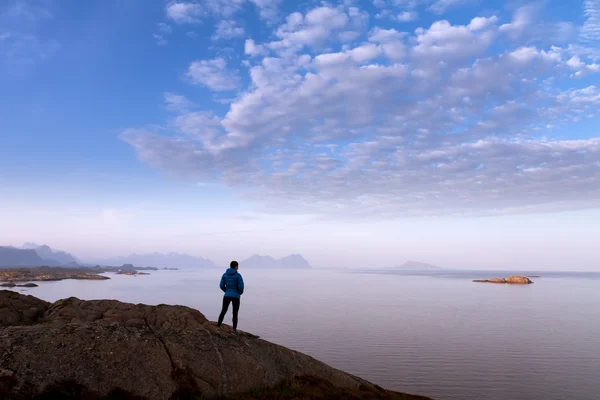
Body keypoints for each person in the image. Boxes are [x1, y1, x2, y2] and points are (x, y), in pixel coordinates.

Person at [217, 260, 244, 334]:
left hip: (227, 295)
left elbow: (221, 285)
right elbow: (241, 287)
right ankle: (234, 330)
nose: (238, 267)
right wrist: (239, 293)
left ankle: (218, 327)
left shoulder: (225, 275)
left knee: (223, 311)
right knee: (235, 313)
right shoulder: (238, 275)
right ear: (236, 266)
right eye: (237, 266)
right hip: (236, 297)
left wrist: (226, 291)